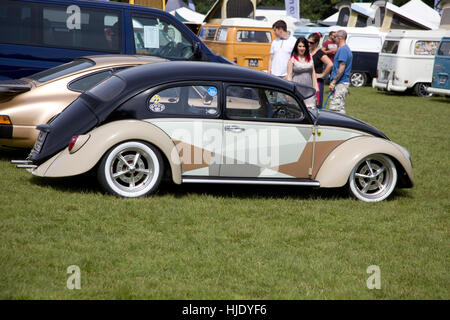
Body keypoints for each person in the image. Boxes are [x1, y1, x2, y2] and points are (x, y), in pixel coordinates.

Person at [286, 37, 318, 109]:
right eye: (300, 46)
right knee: (296, 109)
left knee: (310, 108)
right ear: (296, 47)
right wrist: (288, 91)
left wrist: (316, 86)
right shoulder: (292, 58)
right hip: (297, 88)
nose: (302, 48)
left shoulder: (309, 57)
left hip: (308, 89)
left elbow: (313, 72)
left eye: (304, 46)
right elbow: (289, 75)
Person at [328, 30, 353, 114]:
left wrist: (333, 82)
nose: (333, 39)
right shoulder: (344, 49)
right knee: (337, 107)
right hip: (340, 83)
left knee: (336, 109)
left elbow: (341, 68)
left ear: (339, 38)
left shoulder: (343, 50)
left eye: (335, 37)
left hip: (340, 83)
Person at [308, 32, 333, 109]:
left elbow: (330, 64)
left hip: (317, 82)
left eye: (311, 43)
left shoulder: (319, 53)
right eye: (307, 42)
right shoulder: (307, 52)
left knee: (316, 105)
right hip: (307, 81)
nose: (309, 44)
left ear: (317, 43)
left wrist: (322, 75)